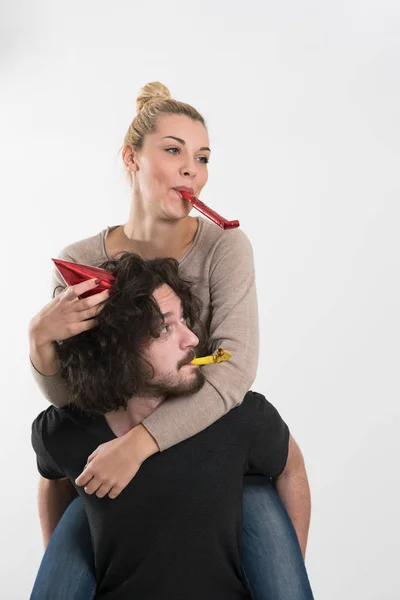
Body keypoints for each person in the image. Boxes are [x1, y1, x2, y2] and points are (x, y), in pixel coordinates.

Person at [29, 82, 313, 599]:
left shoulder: (224, 247)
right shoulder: (82, 259)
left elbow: (231, 368)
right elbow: (83, 393)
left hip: (213, 448)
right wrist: (41, 346)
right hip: (114, 449)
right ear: (130, 159)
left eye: (202, 157)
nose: (192, 170)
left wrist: (140, 445)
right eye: (173, 150)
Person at [32, 252, 308, 600]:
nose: (192, 339)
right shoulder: (63, 430)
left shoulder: (239, 417)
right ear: (115, 350)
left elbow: (291, 468)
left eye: (183, 319)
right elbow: (52, 479)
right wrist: (59, 565)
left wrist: (286, 574)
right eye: (165, 328)